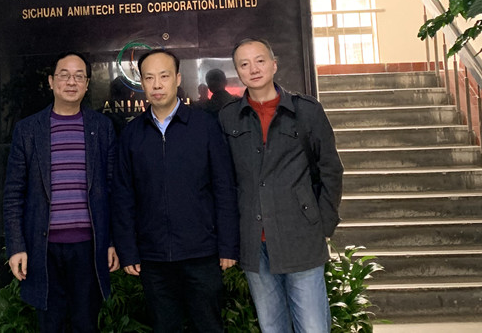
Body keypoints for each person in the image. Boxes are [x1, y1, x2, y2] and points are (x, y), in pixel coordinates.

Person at [218, 39, 343, 333]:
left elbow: (330, 169)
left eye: (260, 61)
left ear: (274, 65)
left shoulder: (306, 111)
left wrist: (323, 223)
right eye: (244, 64)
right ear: (238, 72)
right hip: (253, 241)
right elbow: (225, 181)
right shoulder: (228, 117)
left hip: (300, 236)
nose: (253, 69)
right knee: (272, 326)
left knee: (313, 326)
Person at [111, 49, 240, 333]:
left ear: (178, 79)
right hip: (153, 258)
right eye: (149, 78)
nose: (157, 84)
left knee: (209, 326)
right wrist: (128, 250)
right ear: (142, 83)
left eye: (164, 76)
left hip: (201, 253)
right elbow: (123, 196)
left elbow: (224, 188)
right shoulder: (132, 135)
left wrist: (228, 245)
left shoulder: (205, 126)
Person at [3, 51, 119, 332]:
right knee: (50, 324)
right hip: (43, 248)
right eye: (64, 75)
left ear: (87, 84)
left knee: (86, 323)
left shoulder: (102, 128)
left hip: (89, 247)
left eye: (79, 76)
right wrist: (17, 246)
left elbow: (113, 190)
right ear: (51, 81)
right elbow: (14, 193)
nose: (71, 82)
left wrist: (112, 241)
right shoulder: (28, 130)